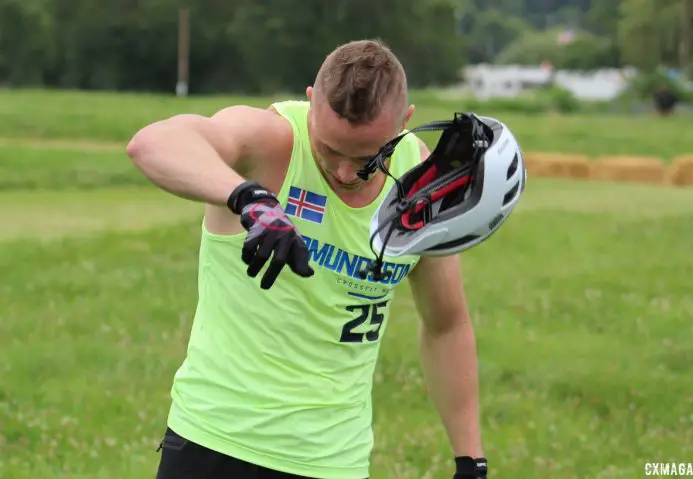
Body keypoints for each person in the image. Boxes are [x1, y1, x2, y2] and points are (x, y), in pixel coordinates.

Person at [126, 39, 491, 479]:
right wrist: (249, 198)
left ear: (405, 122)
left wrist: (470, 459)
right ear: (311, 102)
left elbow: (446, 324)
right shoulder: (271, 141)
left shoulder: (419, 185)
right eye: (330, 150)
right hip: (214, 441)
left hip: (333, 461)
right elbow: (152, 143)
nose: (343, 172)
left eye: (367, 158)